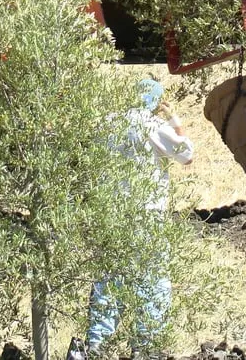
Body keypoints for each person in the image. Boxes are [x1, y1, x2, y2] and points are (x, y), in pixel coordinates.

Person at [81, 78, 193, 359]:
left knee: (109, 279)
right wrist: (174, 119)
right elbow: (187, 154)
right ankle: (147, 345)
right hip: (146, 215)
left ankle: (97, 344)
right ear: (155, 101)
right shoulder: (153, 125)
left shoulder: (106, 123)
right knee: (152, 280)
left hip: (111, 215)